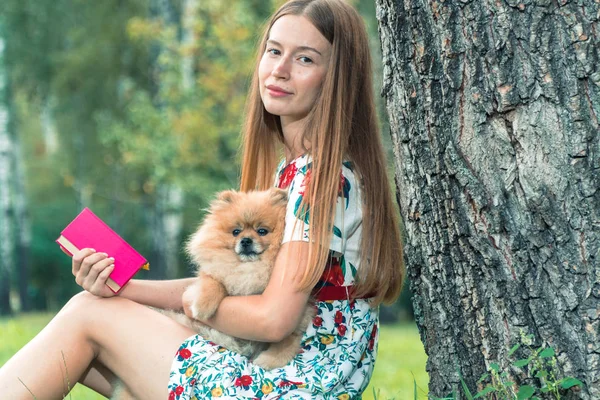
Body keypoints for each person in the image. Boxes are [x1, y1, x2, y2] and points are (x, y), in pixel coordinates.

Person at [0, 0, 404, 398]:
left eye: (305, 60)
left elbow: (271, 320)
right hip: (280, 373)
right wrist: (121, 287)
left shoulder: (322, 179)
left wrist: (188, 303)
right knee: (89, 325)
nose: (279, 70)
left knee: (87, 315)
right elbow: (234, 290)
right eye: (274, 51)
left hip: (289, 383)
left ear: (337, 78)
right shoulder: (297, 172)